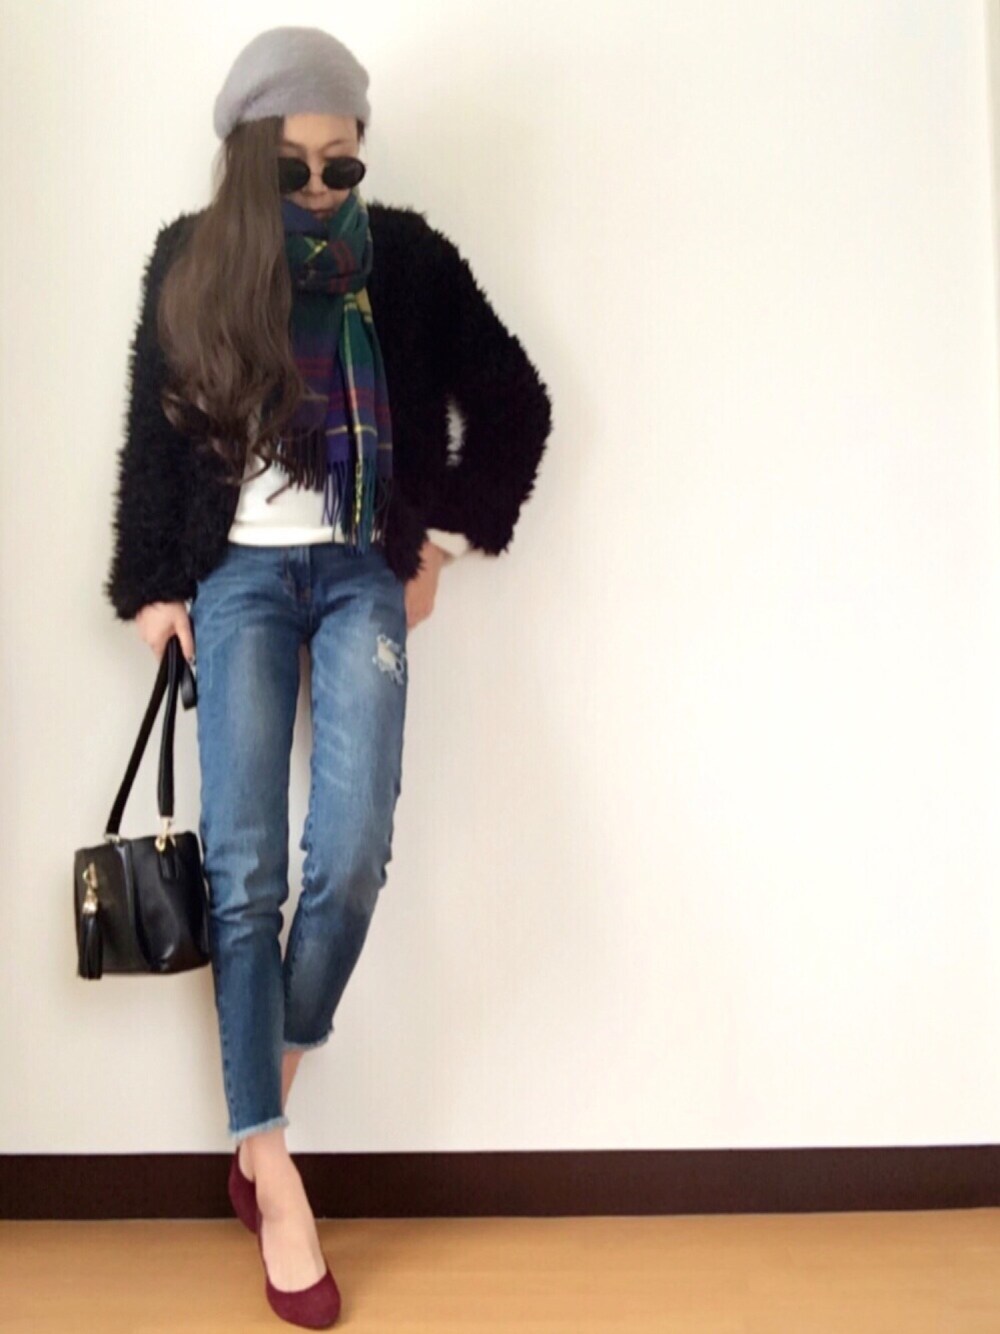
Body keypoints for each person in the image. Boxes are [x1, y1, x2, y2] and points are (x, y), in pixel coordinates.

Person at [104, 25, 552, 1329]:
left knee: (349, 853)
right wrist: (152, 582)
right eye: (291, 164)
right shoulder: (192, 262)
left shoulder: (403, 260)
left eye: (339, 164)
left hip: (361, 573)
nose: (316, 187)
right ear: (247, 158)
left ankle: (266, 1091)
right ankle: (277, 1169)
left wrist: (441, 541)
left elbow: (514, 401)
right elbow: (154, 433)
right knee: (244, 872)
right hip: (236, 581)